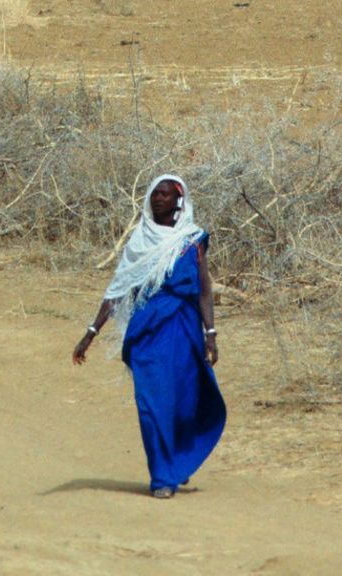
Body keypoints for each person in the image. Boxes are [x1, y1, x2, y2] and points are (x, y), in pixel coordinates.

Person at [72, 174, 226, 499]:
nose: (158, 199)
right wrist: (90, 334)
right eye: (154, 193)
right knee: (152, 403)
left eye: (165, 194)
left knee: (183, 402)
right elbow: (117, 290)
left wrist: (210, 333)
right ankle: (162, 477)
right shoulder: (139, 242)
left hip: (184, 331)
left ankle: (178, 459)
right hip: (147, 332)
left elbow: (204, 290)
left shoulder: (192, 240)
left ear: (178, 200)